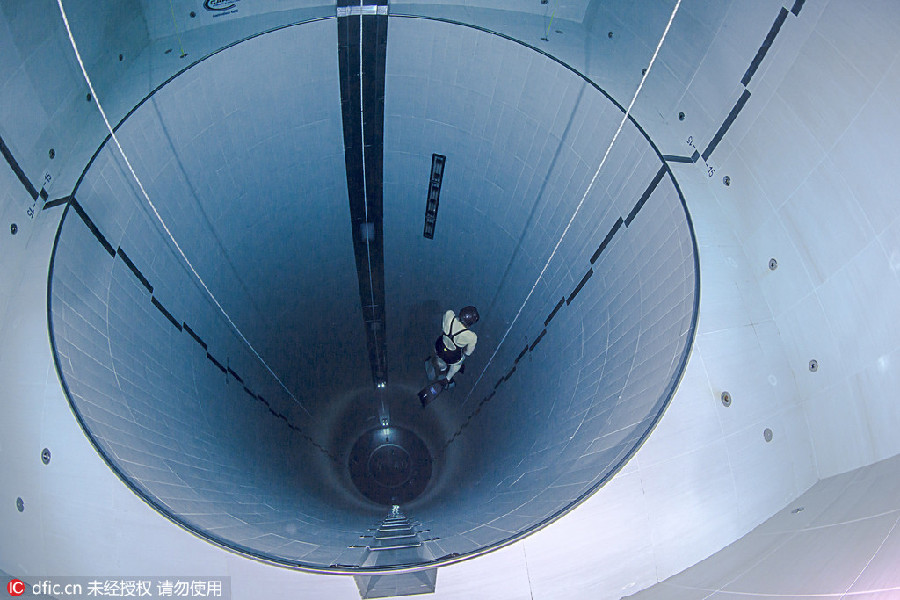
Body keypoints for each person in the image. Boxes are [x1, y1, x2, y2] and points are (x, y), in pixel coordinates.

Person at [432, 306, 479, 382]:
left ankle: (439, 363)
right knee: (458, 363)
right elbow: (468, 353)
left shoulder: (449, 315)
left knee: (440, 353)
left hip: (439, 346)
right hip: (451, 357)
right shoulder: (471, 337)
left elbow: (444, 323)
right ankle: (447, 378)